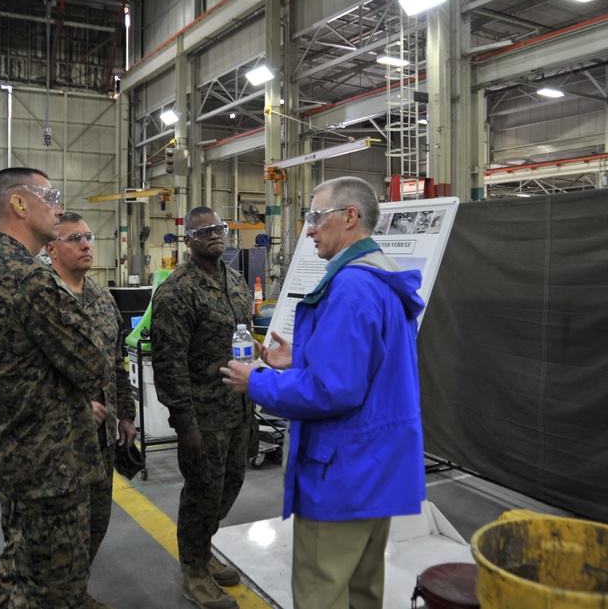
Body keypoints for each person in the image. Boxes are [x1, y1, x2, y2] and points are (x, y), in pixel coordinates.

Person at [220, 176, 426, 609]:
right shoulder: (380, 277)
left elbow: (332, 390)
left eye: (316, 217)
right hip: (378, 467)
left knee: (321, 592)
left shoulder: (351, 287)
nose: (309, 229)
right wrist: (302, 356)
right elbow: (370, 365)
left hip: (342, 473)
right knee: (363, 591)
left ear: (350, 217)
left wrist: (255, 381)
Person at [0, 167, 113, 609]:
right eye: (51, 196)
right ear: (20, 205)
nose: (59, 206)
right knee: (51, 587)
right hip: (49, 462)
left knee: (20, 568)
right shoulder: (29, 278)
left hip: (12, 449)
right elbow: (92, 364)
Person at [151, 206, 255, 609]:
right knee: (202, 493)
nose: (214, 235)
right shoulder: (178, 291)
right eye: (203, 231)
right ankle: (194, 571)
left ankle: (203, 550)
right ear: (189, 240)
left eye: (218, 228)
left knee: (229, 487)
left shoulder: (236, 281)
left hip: (239, 408)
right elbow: (169, 362)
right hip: (203, 416)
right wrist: (186, 423)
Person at [44, 212, 137, 574]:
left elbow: (118, 361)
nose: (86, 245)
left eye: (88, 237)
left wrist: (125, 415)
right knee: (61, 534)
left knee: (97, 521)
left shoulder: (101, 296)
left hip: (101, 438)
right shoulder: (44, 297)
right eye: (74, 239)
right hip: (59, 441)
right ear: (51, 249)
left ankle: (77, 592)